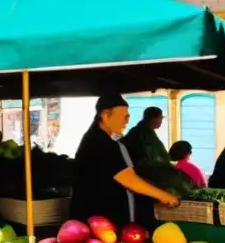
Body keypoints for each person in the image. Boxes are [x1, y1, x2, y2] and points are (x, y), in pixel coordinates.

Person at [71, 95, 179, 229]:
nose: (127, 121)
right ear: (105, 115)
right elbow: (129, 180)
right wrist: (164, 196)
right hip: (98, 221)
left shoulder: (98, 139)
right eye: (124, 116)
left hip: (100, 220)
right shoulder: (101, 143)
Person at [122, 107, 170, 172]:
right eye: (160, 118)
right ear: (154, 119)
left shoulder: (145, 131)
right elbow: (149, 159)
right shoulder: (142, 134)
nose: (161, 121)